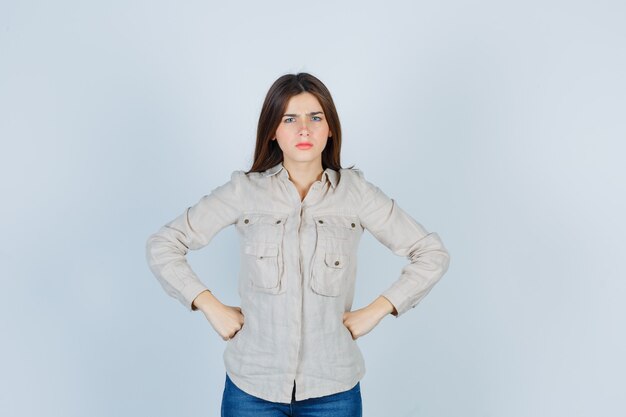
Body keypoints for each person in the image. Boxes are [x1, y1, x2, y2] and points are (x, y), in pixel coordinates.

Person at [145, 72, 451, 417]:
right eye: (289, 119)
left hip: (334, 389)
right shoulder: (244, 191)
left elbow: (431, 253)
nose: (303, 129)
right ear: (273, 130)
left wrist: (379, 309)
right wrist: (208, 305)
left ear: (330, 128)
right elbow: (163, 245)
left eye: (315, 117)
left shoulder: (356, 193)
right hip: (251, 387)